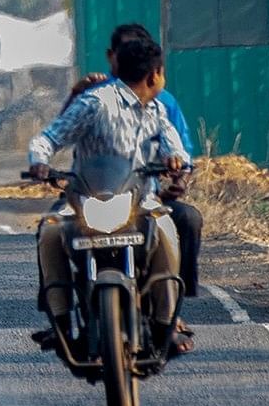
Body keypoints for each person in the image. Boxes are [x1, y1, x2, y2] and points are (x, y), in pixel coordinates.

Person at [27, 36, 190, 359]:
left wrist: (176, 162)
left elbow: (177, 149)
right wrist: (40, 162)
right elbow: (49, 138)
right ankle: (60, 323)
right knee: (49, 231)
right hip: (85, 200)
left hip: (140, 201)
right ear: (155, 75)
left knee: (168, 234)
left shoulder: (156, 111)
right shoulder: (95, 103)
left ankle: (165, 322)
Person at [66, 25, 203, 331]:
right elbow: (62, 133)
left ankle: (173, 309)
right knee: (52, 233)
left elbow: (183, 155)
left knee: (187, 220)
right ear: (112, 57)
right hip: (93, 197)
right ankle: (61, 310)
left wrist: (178, 179)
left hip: (145, 198)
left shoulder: (163, 104)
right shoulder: (92, 97)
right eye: (126, 54)